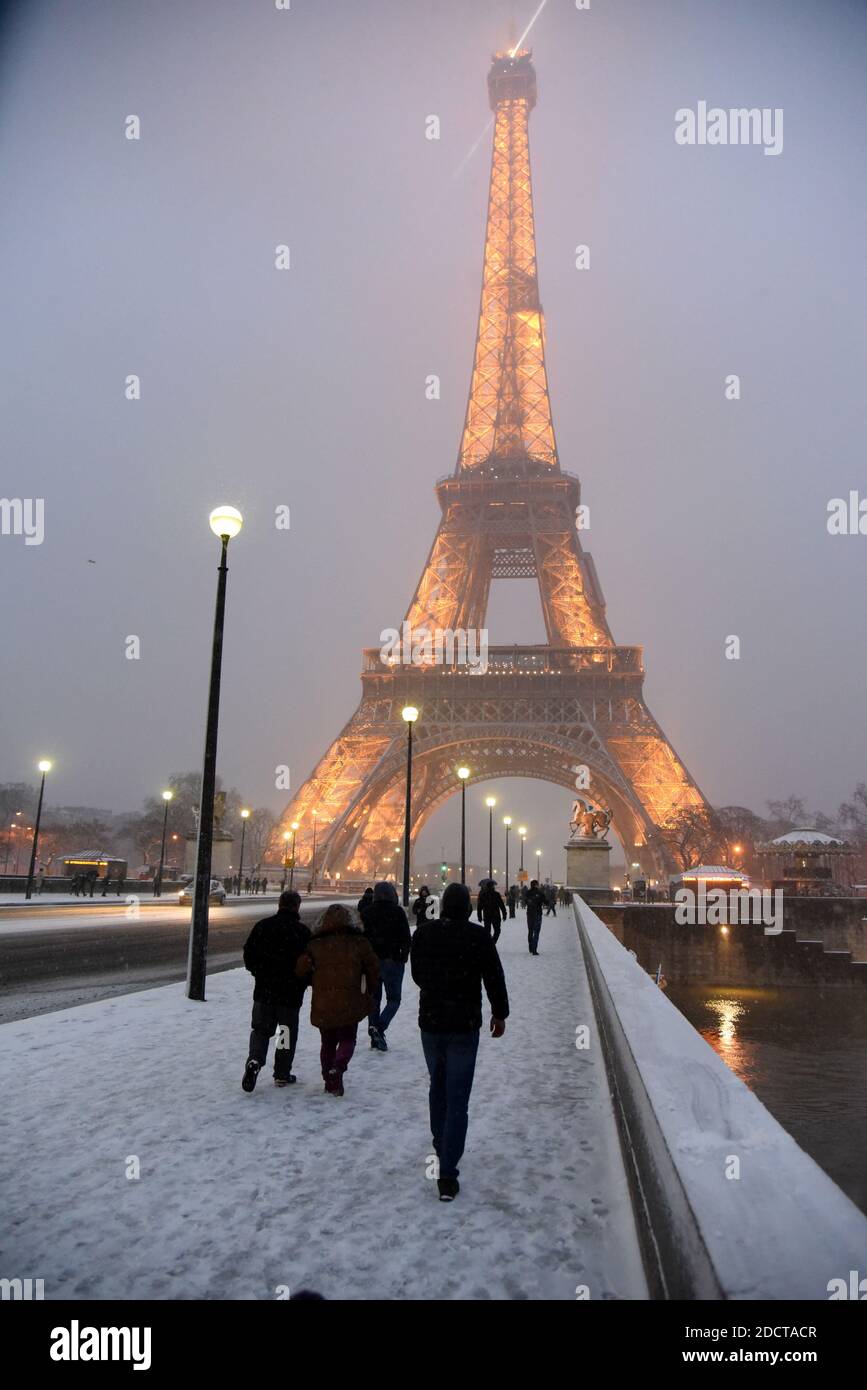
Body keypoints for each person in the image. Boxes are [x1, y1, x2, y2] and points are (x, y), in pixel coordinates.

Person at [410, 882, 509, 1202]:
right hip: (464, 1025)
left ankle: (442, 1142)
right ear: (468, 907)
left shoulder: (423, 934)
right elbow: (494, 976)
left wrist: (439, 986)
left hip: (432, 1023)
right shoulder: (478, 936)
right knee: (458, 1096)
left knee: (437, 1087)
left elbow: (418, 976)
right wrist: (500, 1013)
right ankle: (448, 1170)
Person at [295, 903, 379, 1096]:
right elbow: (373, 968)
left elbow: (300, 970)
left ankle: (328, 1079)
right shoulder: (359, 942)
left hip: (324, 1001)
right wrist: (371, 989)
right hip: (350, 1000)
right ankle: (339, 1067)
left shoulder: (315, 945)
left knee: (327, 1042)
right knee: (348, 1038)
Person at [241, 890, 312, 1092]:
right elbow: (309, 963)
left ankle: (254, 1060)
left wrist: (258, 972)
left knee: (261, 1030)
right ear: (297, 907)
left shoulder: (263, 926)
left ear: (279, 904)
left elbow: (249, 954)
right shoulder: (302, 932)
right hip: (290, 994)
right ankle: (281, 1073)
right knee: (285, 1033)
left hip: (264, 990)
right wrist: (303, 981)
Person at [362, 880, 412, 1051]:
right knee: (394, 1000)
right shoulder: (397, 912)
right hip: (392, 961)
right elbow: (406, 937)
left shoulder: (367, 913)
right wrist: (402, 956)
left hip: (372, 963)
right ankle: (380, 1027)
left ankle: (374, 1032)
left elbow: (362, 939)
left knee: (374, 1000)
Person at [476, 878, 507, 944]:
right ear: (493, 887)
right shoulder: (496, 894)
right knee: (497, 931)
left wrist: (479, 916)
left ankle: (489, 943)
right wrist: (504, 914)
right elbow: (501, 905)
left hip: (487, 915)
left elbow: (479, 907)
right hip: (495, 916)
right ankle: (492, 942)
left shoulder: (483, 895)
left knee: (487, 931)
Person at [526, 878, 545, 955]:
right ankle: (534, 949)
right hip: (537, 913)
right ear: (536, 885)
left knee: (530, 930)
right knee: (536, 932)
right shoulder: (540, 893)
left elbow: (525, 901)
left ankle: (530, 947)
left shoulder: (528, 893)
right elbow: (545, 901)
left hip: (530, 914)